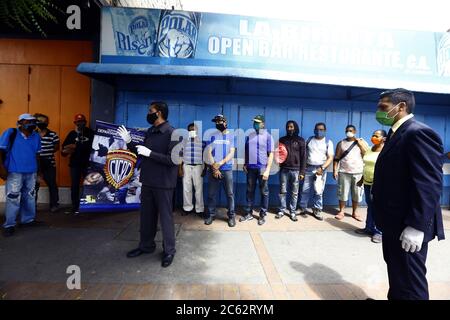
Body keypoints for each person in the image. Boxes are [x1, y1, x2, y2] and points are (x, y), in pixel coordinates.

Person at [372, 88, 444, 300]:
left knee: (411, 282)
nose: (378, 112)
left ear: (401, 106)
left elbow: (428, 183)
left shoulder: (417, 132)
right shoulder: (396, 132)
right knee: (397, 274)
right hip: (394, 223)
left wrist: (417, 226)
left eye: (383, 107)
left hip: (408, 225)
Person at [117, 101, 180, 268]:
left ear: (159, 113)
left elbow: (173, 160)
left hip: (164, 183)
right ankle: (146, 246)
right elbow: (141, 154)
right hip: (148, 181)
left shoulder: (174, 133)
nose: (148, 113)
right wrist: (129, 142)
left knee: (165, 219)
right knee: (146, 217)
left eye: (150, 111)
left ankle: (169, 251)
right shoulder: (151, 131)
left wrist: (151, 153)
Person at [0, 114, 41, 237]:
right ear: (21, 122)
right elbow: (0, 151)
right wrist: (1, 169)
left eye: (33, 122)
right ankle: (9, 224)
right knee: (13, 198)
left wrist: (39, 171)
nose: (32, 124)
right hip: (14, 171)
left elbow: (38, 154)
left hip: (31, 171)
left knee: (29, 196)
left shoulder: (36, 136)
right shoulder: (11, 133)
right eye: (29, 121)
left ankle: (27, 220)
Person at [241, 115, 274, 226]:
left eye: (257, 122)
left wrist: (267, 170)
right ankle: (249, 213)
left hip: (262, 168)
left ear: (263, 124)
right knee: (249, 191)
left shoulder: (268, 136)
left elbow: (271, 154)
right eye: (254, 122)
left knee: (264, 192)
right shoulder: (250, 136)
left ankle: (263, 214)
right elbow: (246, 150)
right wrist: (245, 163)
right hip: (250, 168)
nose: (255, 124)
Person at [204, 114, 236, 227]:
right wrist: (214, 166)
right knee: (211, 194)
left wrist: (220, 164)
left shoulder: (231, 136)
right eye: (216, 122)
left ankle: (231, 216)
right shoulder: (212, 136)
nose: (218, 124)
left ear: (225, 122)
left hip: (226, 169)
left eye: (220, 121)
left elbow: (232, 152)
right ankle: (211, 215)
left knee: (230, 194)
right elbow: (208, 151)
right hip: (213, 169)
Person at [355, 129, 386, 243]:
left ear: (384, 139)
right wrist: (362, 180)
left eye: (377, 136)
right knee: (371, 206)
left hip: (379, 184)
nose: (374, 137)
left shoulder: (385, 151)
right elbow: (367, 166)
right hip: (367, 183)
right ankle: (369, 228)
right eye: (373, 135)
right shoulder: (370, 150)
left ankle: (379, 232)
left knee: (378, 207)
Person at [298, 122, 334, 220]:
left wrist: (322, 168)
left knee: (318, 191)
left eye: (321, 129)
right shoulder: (309, 140)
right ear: (314, 130)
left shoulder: (328, 142)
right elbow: (304, 155)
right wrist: (303, 169)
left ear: (325, 131)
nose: (319, 131)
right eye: (317, 129)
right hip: (308, 168)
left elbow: (330, 158)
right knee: (305, 189)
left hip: (320, 169)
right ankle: (302, 208)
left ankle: (317, 209)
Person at [333, 125, 369, 221]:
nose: (349, 132)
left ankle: (355, 212)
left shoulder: (361, 142)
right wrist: (335, 170)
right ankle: (341, 211)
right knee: (342, 193)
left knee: (356, 193)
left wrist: (359, 143)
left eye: (351, 130)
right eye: (347, 130)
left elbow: (366, 153)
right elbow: (336, 158)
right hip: (344, 172)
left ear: (355, 131)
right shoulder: (341, 143)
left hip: (358, 172)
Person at [61, 114, 94, 215]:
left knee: (90, 185)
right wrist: (70, 147)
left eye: (82, 121)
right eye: (78, 122)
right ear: (75, 123)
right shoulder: (72, 134)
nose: (81, 123)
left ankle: (90, 205)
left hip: (88, 164)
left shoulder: (91, 133)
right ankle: (75, 206)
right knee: (74, 186)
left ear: (86, 122)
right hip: (75, 164)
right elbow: (63, 151)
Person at [276, 120, 306, 222]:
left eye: (291, 127)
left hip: (296, 171)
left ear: (295, 128)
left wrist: (302, 172)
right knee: (282, 191)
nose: (289, 129)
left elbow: (303, 157)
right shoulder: (282, 140)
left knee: (294, 193)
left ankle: (292, 211)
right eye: (288, 127)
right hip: (284, 170)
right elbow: (278, 154)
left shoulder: (301, 140)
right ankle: (281, 210)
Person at [34, 113, 60, 213]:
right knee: (34, 186)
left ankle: (54, 204)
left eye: (45, 122)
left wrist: (47, 152)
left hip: (49, 163)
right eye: (40, 121)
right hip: (36, 163)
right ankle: (32, 206)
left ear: (47, 123)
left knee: (52, 184)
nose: (43, 123)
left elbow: (57, 146)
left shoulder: (53, 134)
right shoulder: (33, 134)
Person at [179, 123, 206, 216]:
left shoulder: (202, 142)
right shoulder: (184, 142)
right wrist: (180, 169)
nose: (192, 131)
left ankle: (199, 209)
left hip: (198, 167)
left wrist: (204, 169)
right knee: (186, 188)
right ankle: (187, 208)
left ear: (197, 131)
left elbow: (205, 157)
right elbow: (180, 156)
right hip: (186, 166)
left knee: (198, 189)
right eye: (190, 130)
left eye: (194, 130)